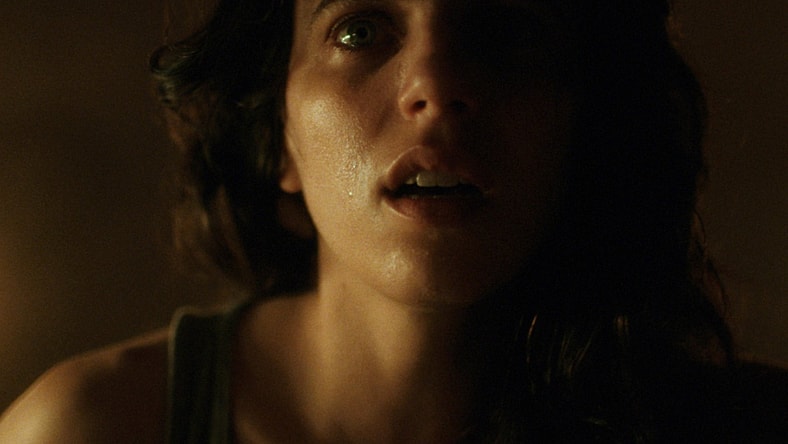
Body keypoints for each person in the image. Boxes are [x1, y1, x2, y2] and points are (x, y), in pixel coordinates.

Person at [1, 0, 785, 442]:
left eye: (503, 27)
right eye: (358, 30)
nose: (436, 85)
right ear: (277, 133)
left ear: (586, 118)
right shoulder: (94, 428)